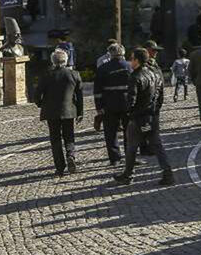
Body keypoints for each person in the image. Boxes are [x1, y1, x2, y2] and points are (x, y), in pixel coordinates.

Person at [114, 47, 175, 186]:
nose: (130, 61)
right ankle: (168, 173)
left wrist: (128, 114)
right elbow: (160, 97)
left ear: (137, 60)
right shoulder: (155, 74)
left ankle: (128, 175)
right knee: (157, 146)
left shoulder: (135, 77)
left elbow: (131, 101)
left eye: (132, 58)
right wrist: (154, 111)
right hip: (152, 116)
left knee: (131, 147)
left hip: (138, 118)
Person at [36, 49, 83, 177]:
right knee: (69, 136)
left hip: (51, 111)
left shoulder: (46, 75)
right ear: (66, 60)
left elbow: (37, 94)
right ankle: (70, 155)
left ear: (53, 61)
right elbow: (79, 95)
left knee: (55, 139)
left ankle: (60, 167)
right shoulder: (74, 74)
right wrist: (80, 112)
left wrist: (41, 104)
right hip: (69, 110)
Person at [93, 44, 132, 163]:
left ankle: (114, 158)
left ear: (110, 54)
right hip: (128, 103)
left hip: (109, 104)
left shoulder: (103, 68)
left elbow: (97, 91)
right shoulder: (130, 67)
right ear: (123, 53)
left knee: (110, 132)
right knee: (129, 132)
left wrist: (99, 107)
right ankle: (130, 155)